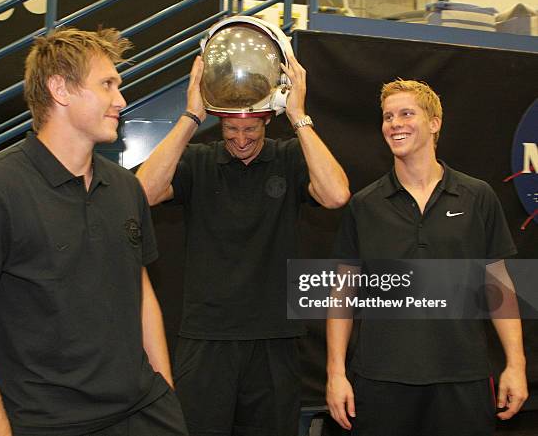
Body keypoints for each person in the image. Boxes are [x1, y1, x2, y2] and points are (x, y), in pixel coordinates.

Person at [0, 28, 187, 436]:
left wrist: (165, 394)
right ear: (60, 89)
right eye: (107, 84)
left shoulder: (124, 187)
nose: (121, 100)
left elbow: (140, 295)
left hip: (145, 415)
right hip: (47, 424)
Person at [136, 50, 350, 436]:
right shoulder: (199, 162)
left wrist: (299, 117)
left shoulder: (288, 158)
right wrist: (190, 118)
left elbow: (335, 195)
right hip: (206, 337)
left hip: (275, 339)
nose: (241, 140)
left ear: (267, 119)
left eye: (251, 129)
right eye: (231, 130)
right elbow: (141, 194)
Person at [326, 79, 528, 436]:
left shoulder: (477, 196)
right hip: (379, 381)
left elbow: (498, 287)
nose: (395, 124)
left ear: (435, 123)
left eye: (406, 113)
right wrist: (335, 374)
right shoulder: (364, 205)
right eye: (388, 116)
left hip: (463, 379)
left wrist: (516, 364)